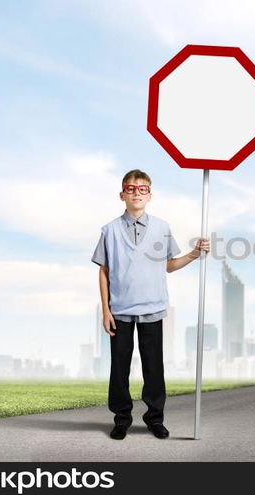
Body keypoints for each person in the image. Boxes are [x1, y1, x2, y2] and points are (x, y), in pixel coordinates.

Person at [90, 169, 209, 440]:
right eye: (131, 189)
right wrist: (106, 310)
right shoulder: (109, 231)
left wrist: (194, 254)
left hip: (152, 308)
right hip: (120, 310)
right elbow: (104, 271)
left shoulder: (161, 228)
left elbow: (168, 265)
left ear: (150, 195)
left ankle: (155, 418)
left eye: (142, 189)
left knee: (153, 367)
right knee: (119, 368)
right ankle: (121, 419)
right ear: (122, 194)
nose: (136, 193)